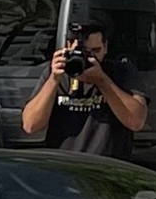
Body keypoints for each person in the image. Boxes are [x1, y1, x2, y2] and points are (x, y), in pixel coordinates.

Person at [22, 18, 148, 159]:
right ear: (68, 46)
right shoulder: (57, 73)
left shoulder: (120, 72)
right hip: (65, 165)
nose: (89, 58)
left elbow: (136, 121)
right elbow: (30, 125)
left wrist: (103, 82)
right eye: (83, 52)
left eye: (95, 51)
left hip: (108, 167)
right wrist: (53, 80)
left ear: (105, 47)